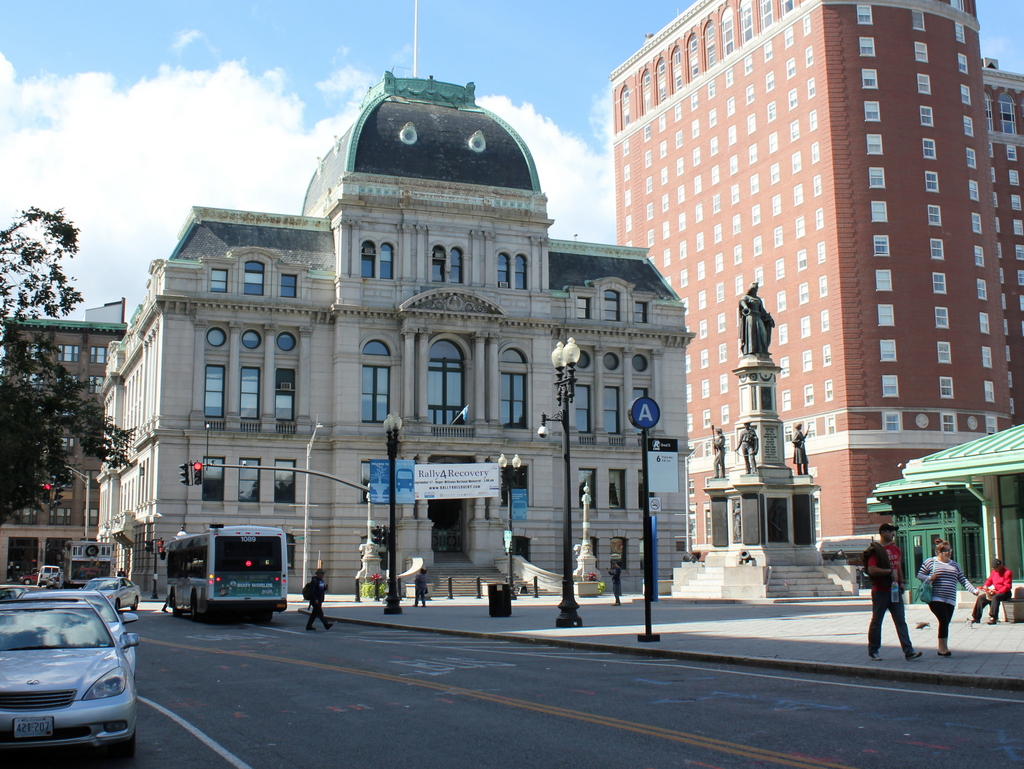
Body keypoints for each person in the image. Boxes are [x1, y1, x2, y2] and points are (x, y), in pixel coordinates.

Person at [864, 523, 921, 661]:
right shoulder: (875, 550)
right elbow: (872, 570)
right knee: (877, 621)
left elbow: (898, 567)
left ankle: (909, 651)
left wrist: (902, 582)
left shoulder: (896, 549)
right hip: (880, 591)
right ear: (883, 533)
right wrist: (889, 572)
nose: (893, 534)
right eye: (890, 532)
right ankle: (874, 650)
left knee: (901, 620)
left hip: (894, 590)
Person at [917, 540, 981, 656]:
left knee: (946, 622)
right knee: (943, 620)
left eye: (949, 550)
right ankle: (943, 648)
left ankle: (943, 646)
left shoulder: (954, 565)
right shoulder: (931, 562)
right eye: (944, 551)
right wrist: (930, 578)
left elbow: (962, 579)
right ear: (938, 551)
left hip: (950, 599)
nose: (947, 553)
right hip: (936, 598)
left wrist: (974, 590)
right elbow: (920, 575)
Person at [969, 558, 1014, 626]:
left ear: (1000, 566)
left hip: (1005, 593)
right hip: (995, 591)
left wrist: (996, 592)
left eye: (996, 567)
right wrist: (986, 585)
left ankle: (993, 617)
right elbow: (990, 580)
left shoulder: (1007, 572)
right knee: (981, 598)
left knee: (995, 598)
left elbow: (1007, 586)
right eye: (994, 567)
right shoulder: (994, 572)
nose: (995, 569)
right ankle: (976, 617)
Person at [738, 283, 775, 356]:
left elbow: (762, 310)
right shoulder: (746, 297)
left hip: (758, 317)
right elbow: (742, 302)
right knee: (752, 334)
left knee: (763, 333)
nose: (755, 290)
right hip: (751, 317)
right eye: (754, 289)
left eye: (756, 289)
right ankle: (752, 350)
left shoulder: (758, 299)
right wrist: (745, 307)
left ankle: (763, 350)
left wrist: (769, 318)